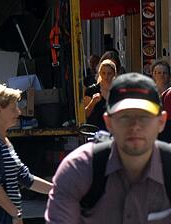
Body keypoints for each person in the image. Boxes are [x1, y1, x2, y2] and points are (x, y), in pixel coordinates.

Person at [45, 73, 169, 223]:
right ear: (108, 122)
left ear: (161, 121)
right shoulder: (79, 169)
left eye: (144, 116)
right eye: (125, 116)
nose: (135, 126)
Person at [0, 84, 52, 224]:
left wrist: (56, 190)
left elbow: (25, 178)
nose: (18, 112)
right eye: (13, 109)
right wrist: (15, 214)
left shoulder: (3, 141)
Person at [83, 60, 117, 132]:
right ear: (100, 73)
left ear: (114, 74)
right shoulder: (91, 90)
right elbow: (85, 115)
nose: (106, 76)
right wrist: (93, 102)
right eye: (103, 73)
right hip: (95, 132)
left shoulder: (118, 91)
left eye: (109, 73)